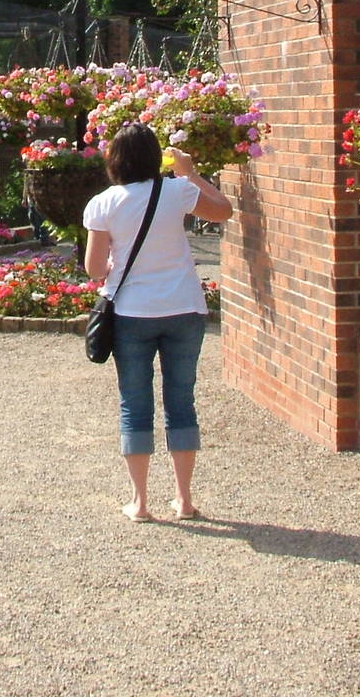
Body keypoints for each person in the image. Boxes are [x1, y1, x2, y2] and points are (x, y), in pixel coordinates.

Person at [82, 123, 233, 523]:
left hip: (132, 312)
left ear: (114, 159)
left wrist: (114, 264)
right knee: (181, 401)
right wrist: (189, 171)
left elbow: (95, 269)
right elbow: (223, 210)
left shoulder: (104, 203)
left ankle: (140, 502)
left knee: (135, 403)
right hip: (184, 307)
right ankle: (184, 499)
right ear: (155, 158)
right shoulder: (177, 191)